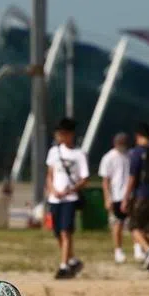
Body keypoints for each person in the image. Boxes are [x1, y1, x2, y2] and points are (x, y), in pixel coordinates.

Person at [46, 117, 89, 280]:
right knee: (57, 232)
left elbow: (84, 178)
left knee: (66, 231)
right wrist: (52, 189)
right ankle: (72, 260)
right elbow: (49, 174)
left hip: (70, 198)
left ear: (70, 135)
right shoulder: (54, 152)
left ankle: (63, 265)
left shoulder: (79, 154)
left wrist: (70, 189)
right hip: (55, 198)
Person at [122, 122, 149, 271]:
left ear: (138, 136)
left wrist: (126, 197)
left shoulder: (136, 153)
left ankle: (148, 250)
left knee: (134, 226)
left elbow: (133, 177)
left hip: (141, 194)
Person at [98, 133, 131, 264]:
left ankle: (137, 248)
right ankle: (118, 250)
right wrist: (107, 197)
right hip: (116, 194)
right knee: (117, 223)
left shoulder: (130, 156)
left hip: (129, 194)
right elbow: (105, 180)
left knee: (133, 223)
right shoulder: (109, 158)